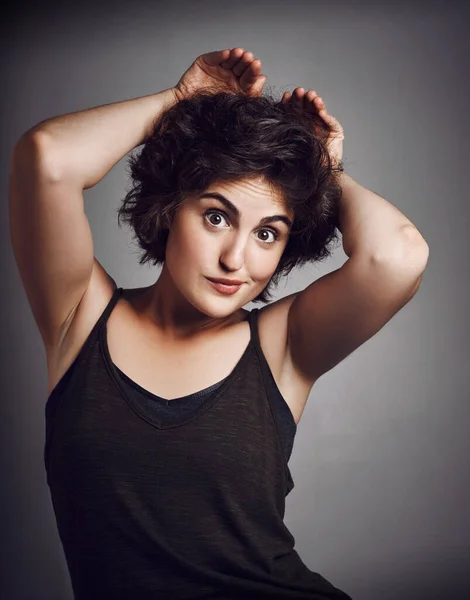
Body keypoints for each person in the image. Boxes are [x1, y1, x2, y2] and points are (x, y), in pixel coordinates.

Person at [9, 47, 428, 599]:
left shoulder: (283, 345)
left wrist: (323, 170)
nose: (237, 259)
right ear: (168, 208)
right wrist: (179, 104)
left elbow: (396, 255)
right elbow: (47, 158)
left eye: (267, 233)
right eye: (216, 216)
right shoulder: (80, 317)